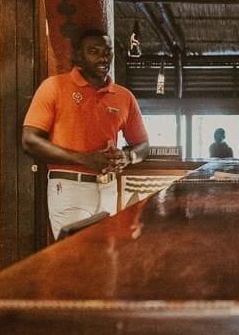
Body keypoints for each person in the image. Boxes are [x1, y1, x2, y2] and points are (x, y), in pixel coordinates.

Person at [21, 28, 149, 238]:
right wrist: (84, 159)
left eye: (107, 52)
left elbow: (143, 145)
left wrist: (127, 157)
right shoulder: (54, 87)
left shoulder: (124, 96)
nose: (103, 58)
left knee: (105, 253)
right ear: (78, 56)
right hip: (70, 186)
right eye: (94, 51)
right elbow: (29, 141)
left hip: (108, 187)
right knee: (75, 254)